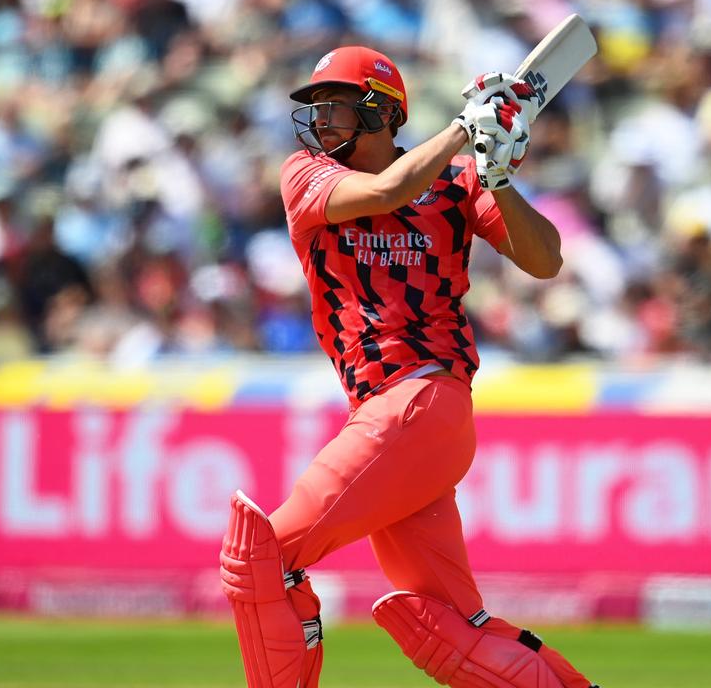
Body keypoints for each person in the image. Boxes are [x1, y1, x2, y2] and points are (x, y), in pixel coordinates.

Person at [219, 45, 598, 688]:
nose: (320, 122)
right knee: (449, 625)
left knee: (261, 556)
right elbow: (389, 189)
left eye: (334, 107)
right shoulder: (307, 176)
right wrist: (462, 130)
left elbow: (546, 260)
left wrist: (498, 178)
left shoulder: (458, 183)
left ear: (381, 112)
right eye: (315, 108)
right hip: (396, 419)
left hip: (422, 401)